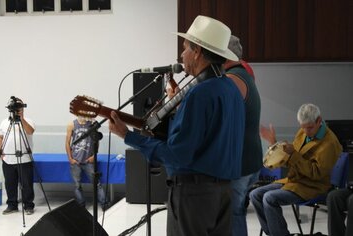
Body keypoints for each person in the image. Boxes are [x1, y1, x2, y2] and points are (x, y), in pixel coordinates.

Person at [109, 15, 245, 236]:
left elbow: (177, 155)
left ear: (198, 51)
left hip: (194, 195)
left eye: (185, 48)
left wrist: (128, 136)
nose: (182, 55)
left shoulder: (198, 94)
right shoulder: (231, 90)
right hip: (224, 193)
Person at [249, 103, 342, 236]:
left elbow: (315, 174)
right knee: (255, 195)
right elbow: (289, 159)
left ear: (319, 121)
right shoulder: (303, 132)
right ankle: (276, 233)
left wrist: (294, 155)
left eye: (309, 127)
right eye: (302, 127)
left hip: (313, 186)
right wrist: (274, 144)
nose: (305, 131)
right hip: (295, 181)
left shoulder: (330, 143)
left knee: (270, 198)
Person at [223, 35, 262, 236]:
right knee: (235, 212)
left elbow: (222, 121)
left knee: (233, 213)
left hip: (240, 162)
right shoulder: (245, 72)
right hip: (250, 160)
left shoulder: (231, 79)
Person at [0, 97, 35, 215]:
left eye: (20, 107)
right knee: (10, 184)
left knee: (26, 184)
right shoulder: (4, 122)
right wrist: (0, 150)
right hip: (8, 159)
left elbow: (30, 131)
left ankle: (28, 206)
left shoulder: (28, 120)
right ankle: (12, 205)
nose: (17, 110)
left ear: (23, 108)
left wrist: (21, 119)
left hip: (24, 159)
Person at [65, 116, 106, 208]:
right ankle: (81, 205)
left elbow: (97, 140)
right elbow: (67, 142)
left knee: (97, 183)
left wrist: (94, 155)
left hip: (88, 160)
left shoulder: (92, 123)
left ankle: (104, 204)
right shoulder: (72, 124)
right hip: (76, 160)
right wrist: (70, 158)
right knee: (77, 185)